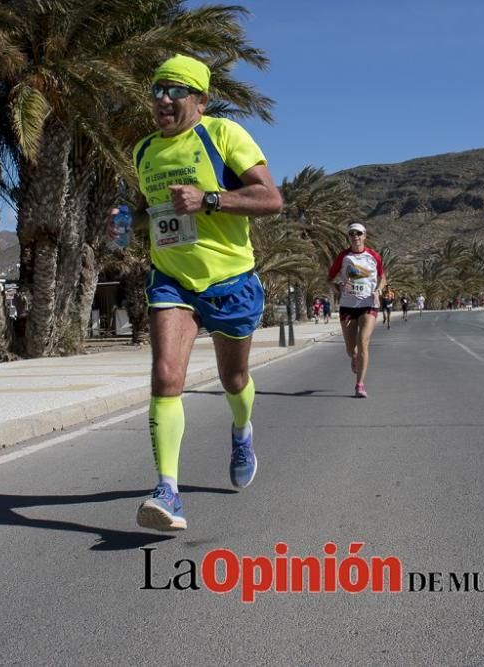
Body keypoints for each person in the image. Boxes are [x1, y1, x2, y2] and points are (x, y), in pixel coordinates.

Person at [116, 54, 283, 531]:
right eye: (157, 90)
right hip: (172, 277)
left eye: (175, 91)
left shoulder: (223, 135)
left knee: (235, 380)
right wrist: (128, 221)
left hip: (230, 279)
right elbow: (148, 209)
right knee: (167, 377)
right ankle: (168, 490)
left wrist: (210, 199)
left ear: (200, 100)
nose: (163, 100)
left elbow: (271, 199)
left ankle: (242, 431)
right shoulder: (144, 150)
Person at [329, 222, 385, 399]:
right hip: (348, 306)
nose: (356, 237)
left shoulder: (373, 256)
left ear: (364, 236)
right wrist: (339, 285)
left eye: (359, 234)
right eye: (352, 234)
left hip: (369, 304)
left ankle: (359, 385)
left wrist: (378, 290)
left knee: (363, 343)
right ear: (349, 237)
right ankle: (354, 358)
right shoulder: (343, 257)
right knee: (350, 349)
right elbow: (329, 278)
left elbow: (383, 277)